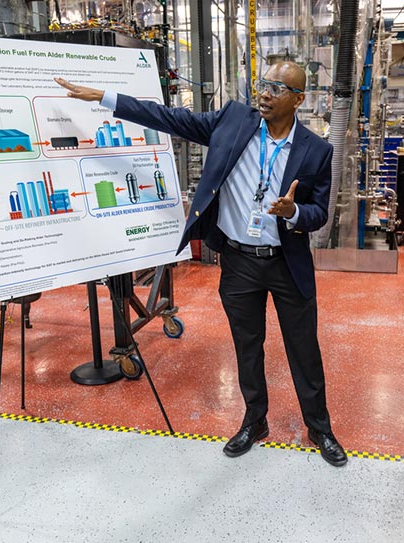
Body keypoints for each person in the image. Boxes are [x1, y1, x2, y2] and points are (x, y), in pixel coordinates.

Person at [55, 61, 347, 467]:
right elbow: (169, 117)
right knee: (247, 347)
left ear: (298, 100)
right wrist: (106, 98)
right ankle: (255, 420)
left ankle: (319, 428)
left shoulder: (317, 150)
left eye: (277, 88)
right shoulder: (233, 121)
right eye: (262, 84)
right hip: (239, 261)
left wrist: (294, 211)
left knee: (304, 349)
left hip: (286, 263)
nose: (264, 93)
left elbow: (319, 213)